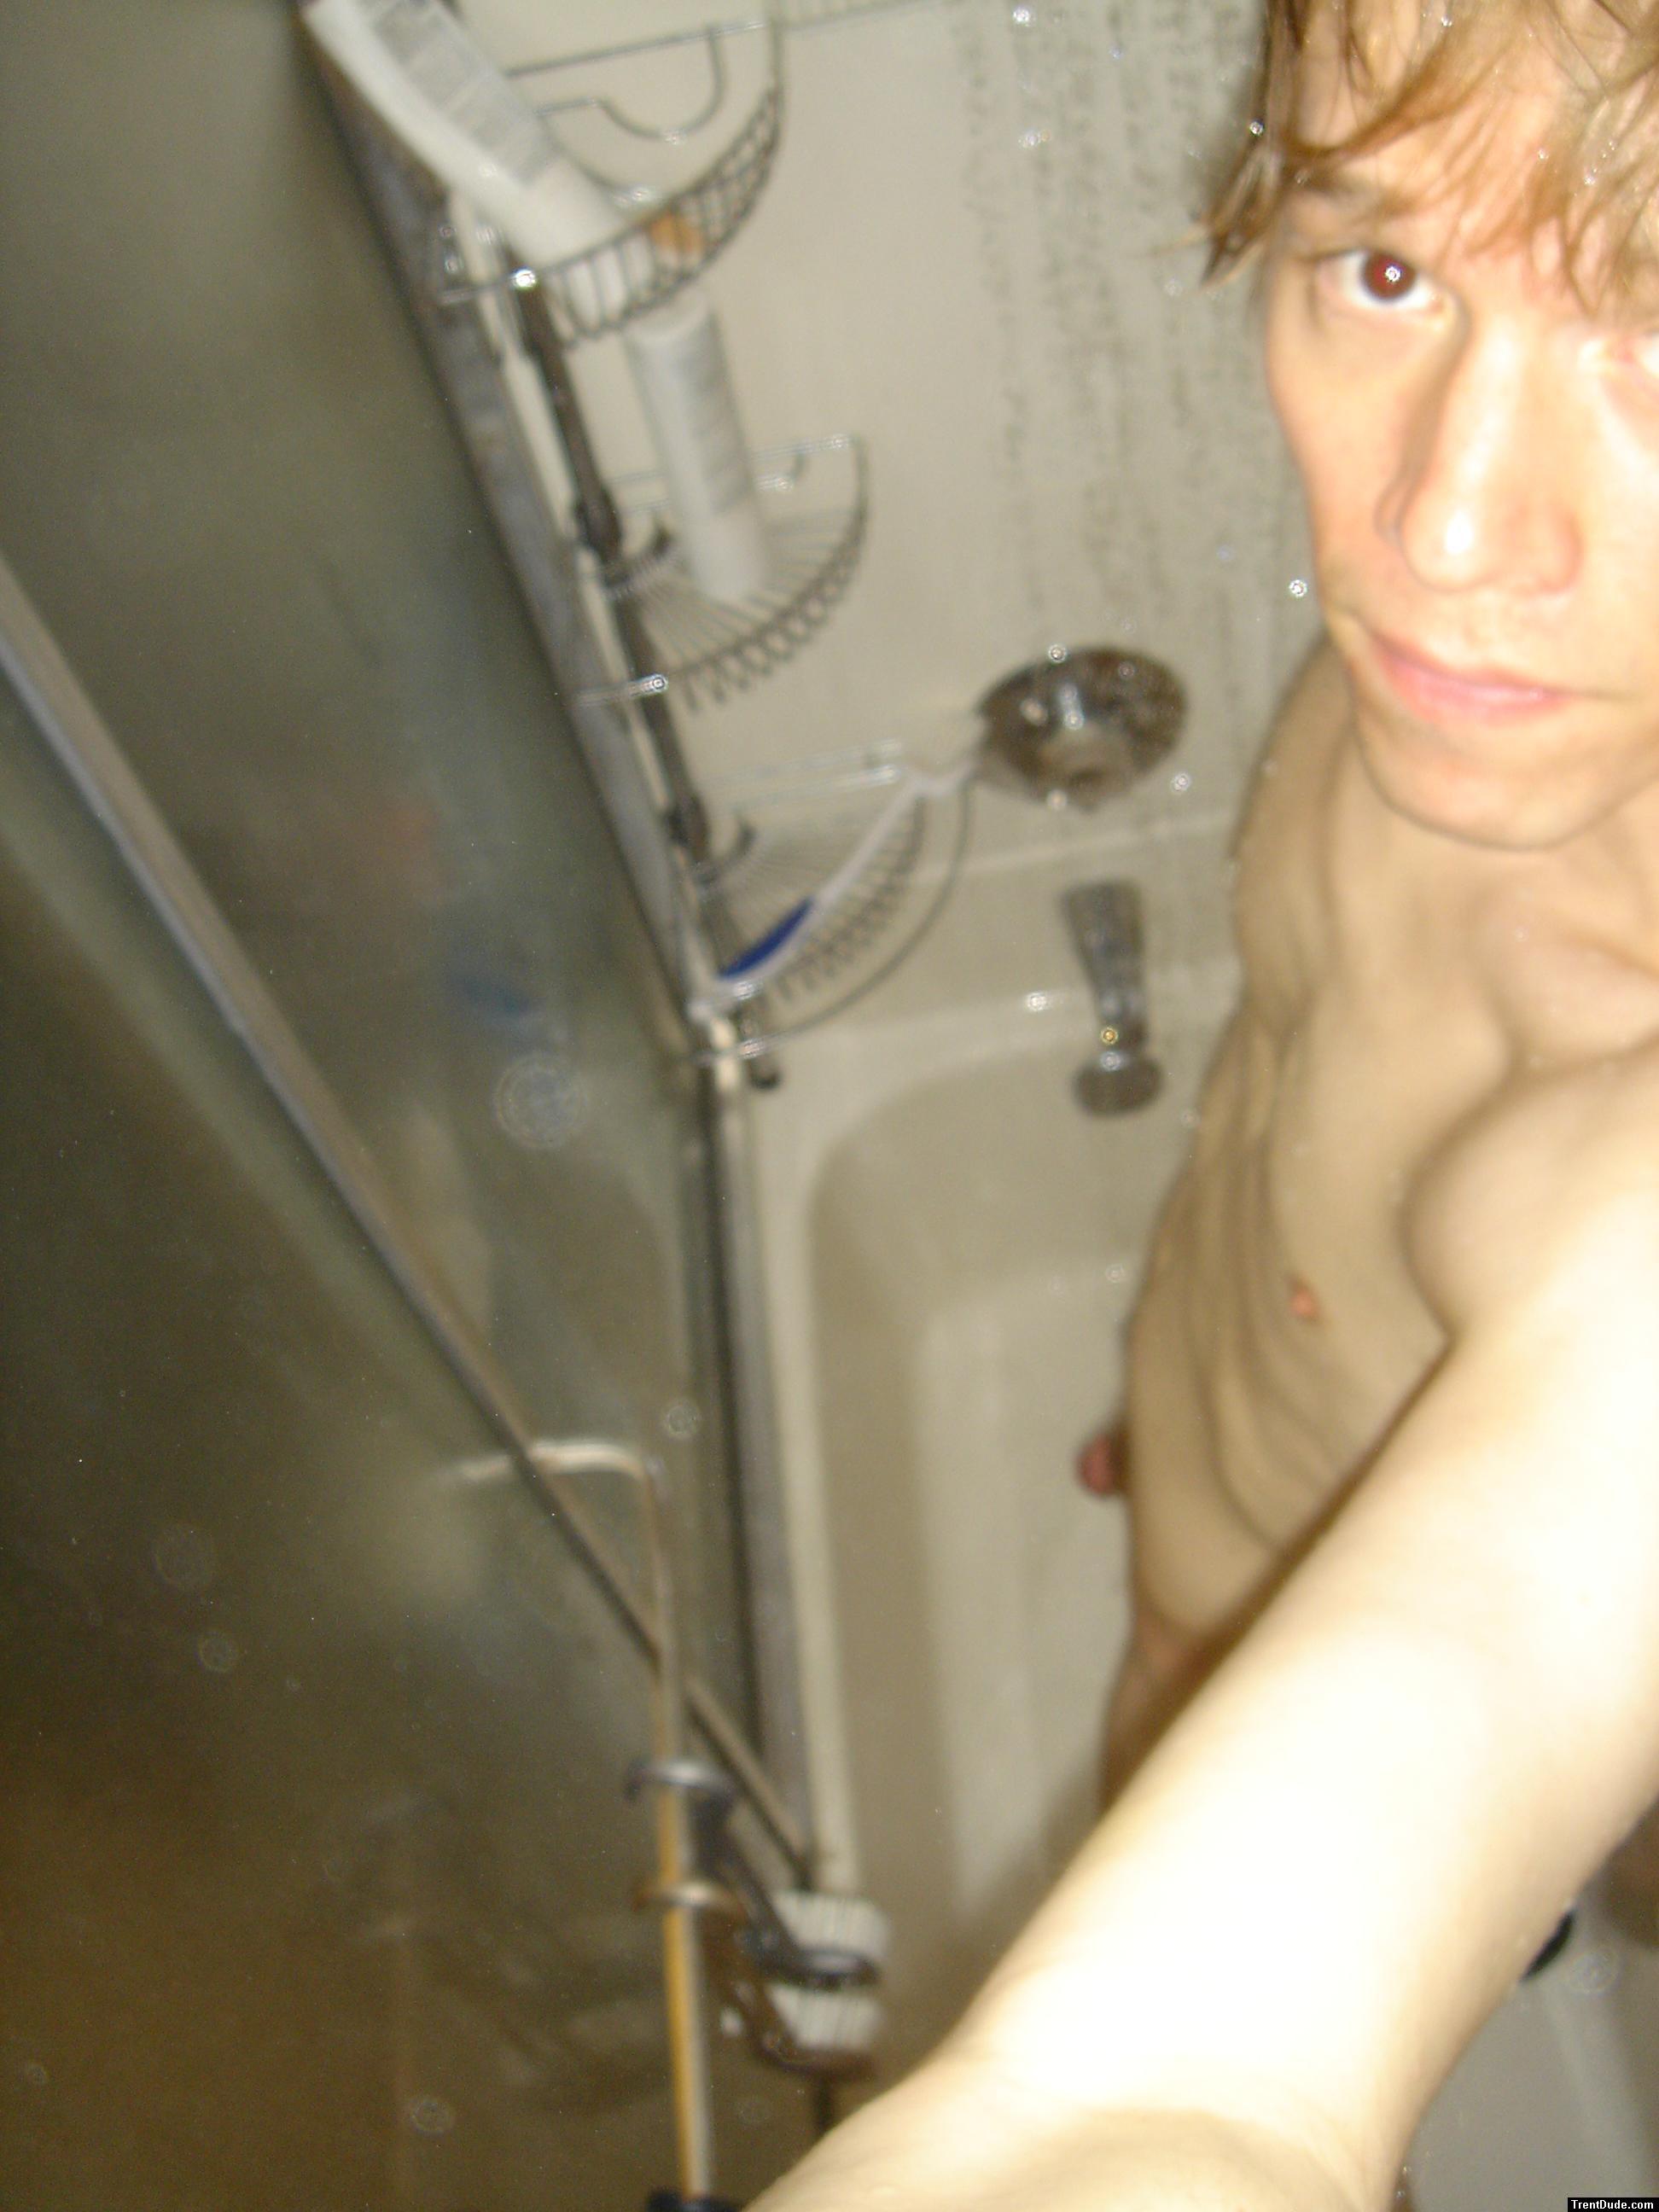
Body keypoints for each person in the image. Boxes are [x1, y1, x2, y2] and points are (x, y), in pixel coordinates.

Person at [753, 1, 1659, 2203]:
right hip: (1223, 1450)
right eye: (1385, 270)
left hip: (1259, 1604)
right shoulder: (1510, 685)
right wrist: (1215, 1368)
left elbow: (1164, 2102)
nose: (1443, 520)